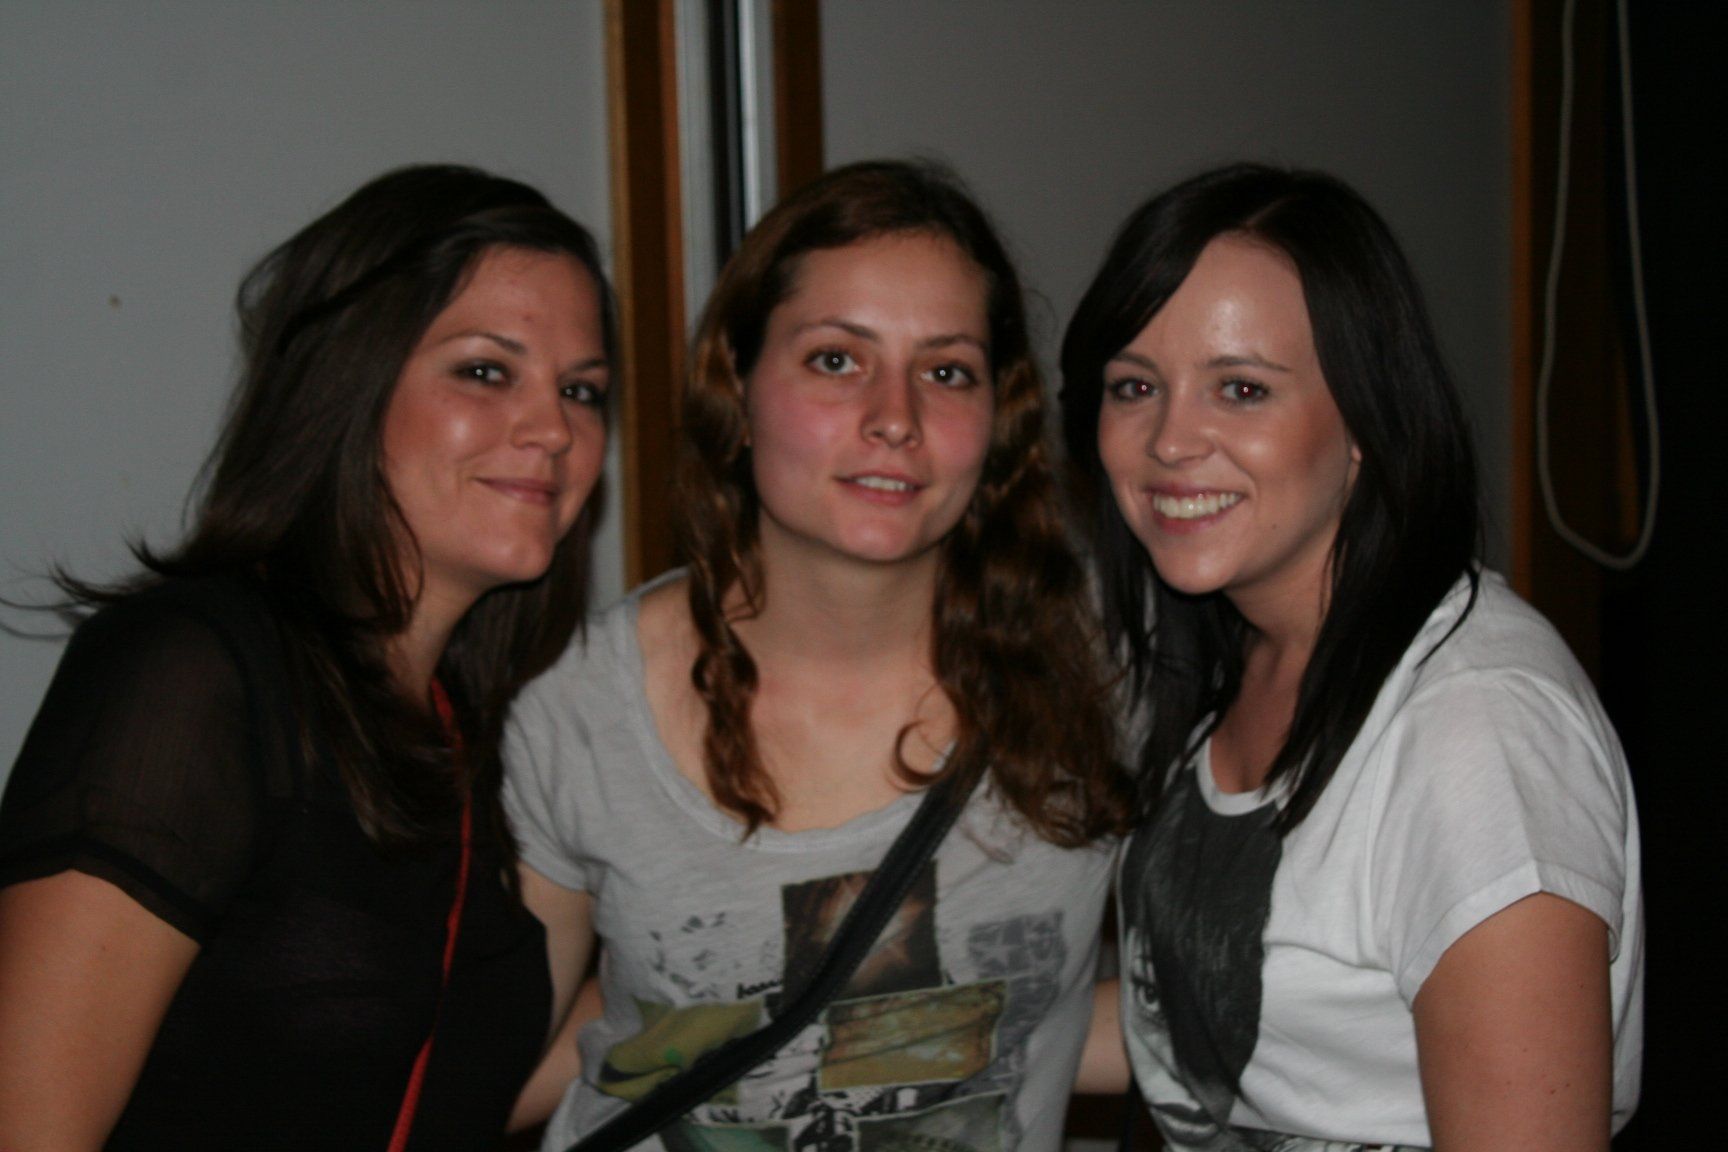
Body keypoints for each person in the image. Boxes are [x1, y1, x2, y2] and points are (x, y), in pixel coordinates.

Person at [503, 159, 1132, 1152]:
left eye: (947, 371)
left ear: (1000, 418)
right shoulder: (575, 706)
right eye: (837, 360)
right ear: (738, 389)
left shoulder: (1103, 668)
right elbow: (494, 1063)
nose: (896, 417)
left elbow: (1233, 998)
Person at [0, 164, 615, 1150]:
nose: (554, 431)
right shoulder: (191, 669)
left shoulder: (478, 731)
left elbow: (447, 1078)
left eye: (582, 391)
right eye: (485, 371)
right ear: (350, 384)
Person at [1060, 163, 1642, 1151]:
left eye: (1242, 389)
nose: (1170, 440)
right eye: (1136, 386)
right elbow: (1217, 1030)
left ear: (1368, 419)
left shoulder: (1477, 731)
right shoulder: (1227, 657)